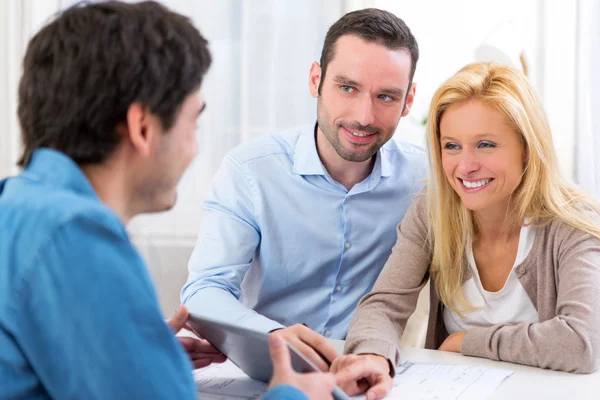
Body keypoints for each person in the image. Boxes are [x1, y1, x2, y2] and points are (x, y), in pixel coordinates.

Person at [0, 1, 336, 399]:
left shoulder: (16, 207)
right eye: (193, 120)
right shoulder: (76, 236)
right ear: (142, 127)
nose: (194, 148)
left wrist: (134, 351)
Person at [330, 62, 600, 398]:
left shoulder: (572, 223)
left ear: (527, 148)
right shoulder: (433, 209)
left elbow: (579, 343)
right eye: (452, 146)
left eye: (486, 144)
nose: (465, 166)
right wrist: (372, 356)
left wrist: (467, 341)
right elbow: (384, 305)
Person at [181, 8, 428, 370]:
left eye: (386, 97)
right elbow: (204, 291)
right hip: (267, 375)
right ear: (316, 80)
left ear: (408, 101)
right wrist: (273, 335)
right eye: (347, 88)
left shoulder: (424, 181)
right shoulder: (251, 172)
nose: (364, 116)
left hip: (369, 373)